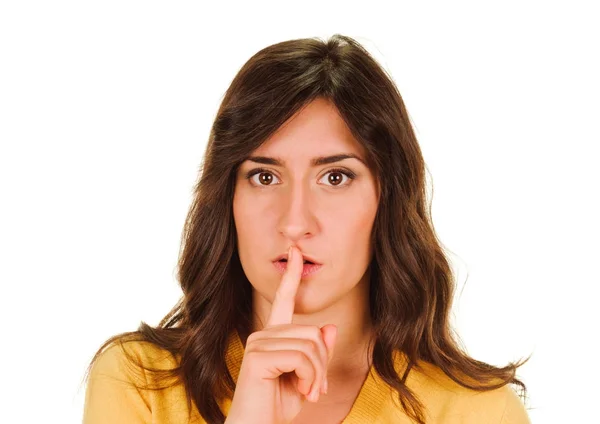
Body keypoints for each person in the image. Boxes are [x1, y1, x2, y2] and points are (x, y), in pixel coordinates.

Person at [81, 34, 531, 424]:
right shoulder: (139, 383)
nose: (295, 222)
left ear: (388, 198)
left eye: (335, 178)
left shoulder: (480, 412)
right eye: (264, 176)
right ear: (228, 199)